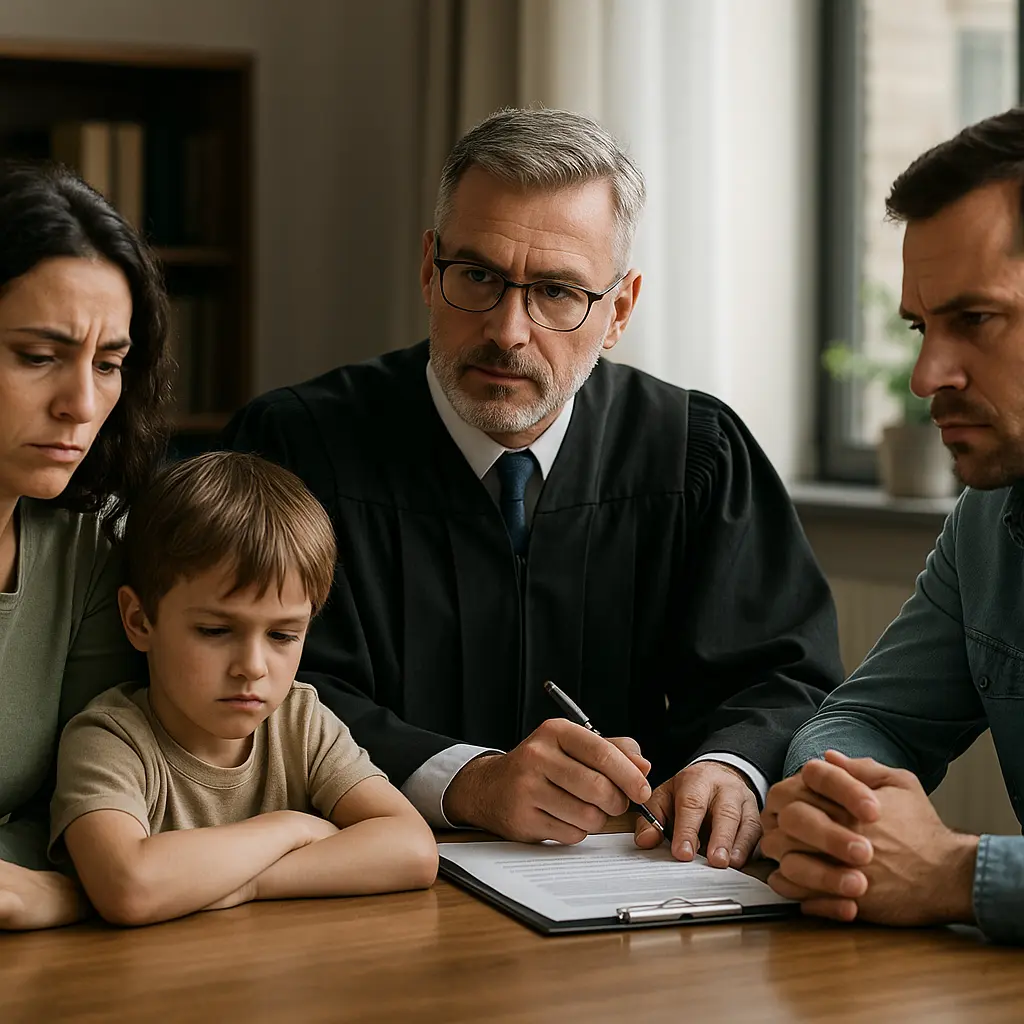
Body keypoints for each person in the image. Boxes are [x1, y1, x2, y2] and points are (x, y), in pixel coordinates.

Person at [224, 107, 842, 866]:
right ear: (429, 268)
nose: (509, 330)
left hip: (639, 885)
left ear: (618, 310)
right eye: (478, 276)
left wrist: (731, 765)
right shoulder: (296, 449)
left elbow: (784, 674)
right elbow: (254, 687)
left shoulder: (693, 455)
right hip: (364, 877)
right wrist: (467, 782)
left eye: (556, 292)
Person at [761, 107, 1024, 945]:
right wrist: (844, 813)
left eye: (974, 320)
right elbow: (862, 723)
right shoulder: (988, 520)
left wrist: (954, 873)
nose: (924, 375)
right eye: (921, 327)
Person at [49, 451, 438, 927]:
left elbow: (413, 849)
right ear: (139, 620)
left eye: (283, 635)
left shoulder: (300, 722)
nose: (252, 667)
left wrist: (248, 884)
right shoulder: (109, 740)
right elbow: (129, 887)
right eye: (215, 631)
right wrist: (291, 828)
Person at [0, 160, 170, 929]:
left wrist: (58, 888)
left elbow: (90, 810)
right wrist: (59, 890)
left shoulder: (93, 545)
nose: (81, 403)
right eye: (38, 356)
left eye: (108, 365)